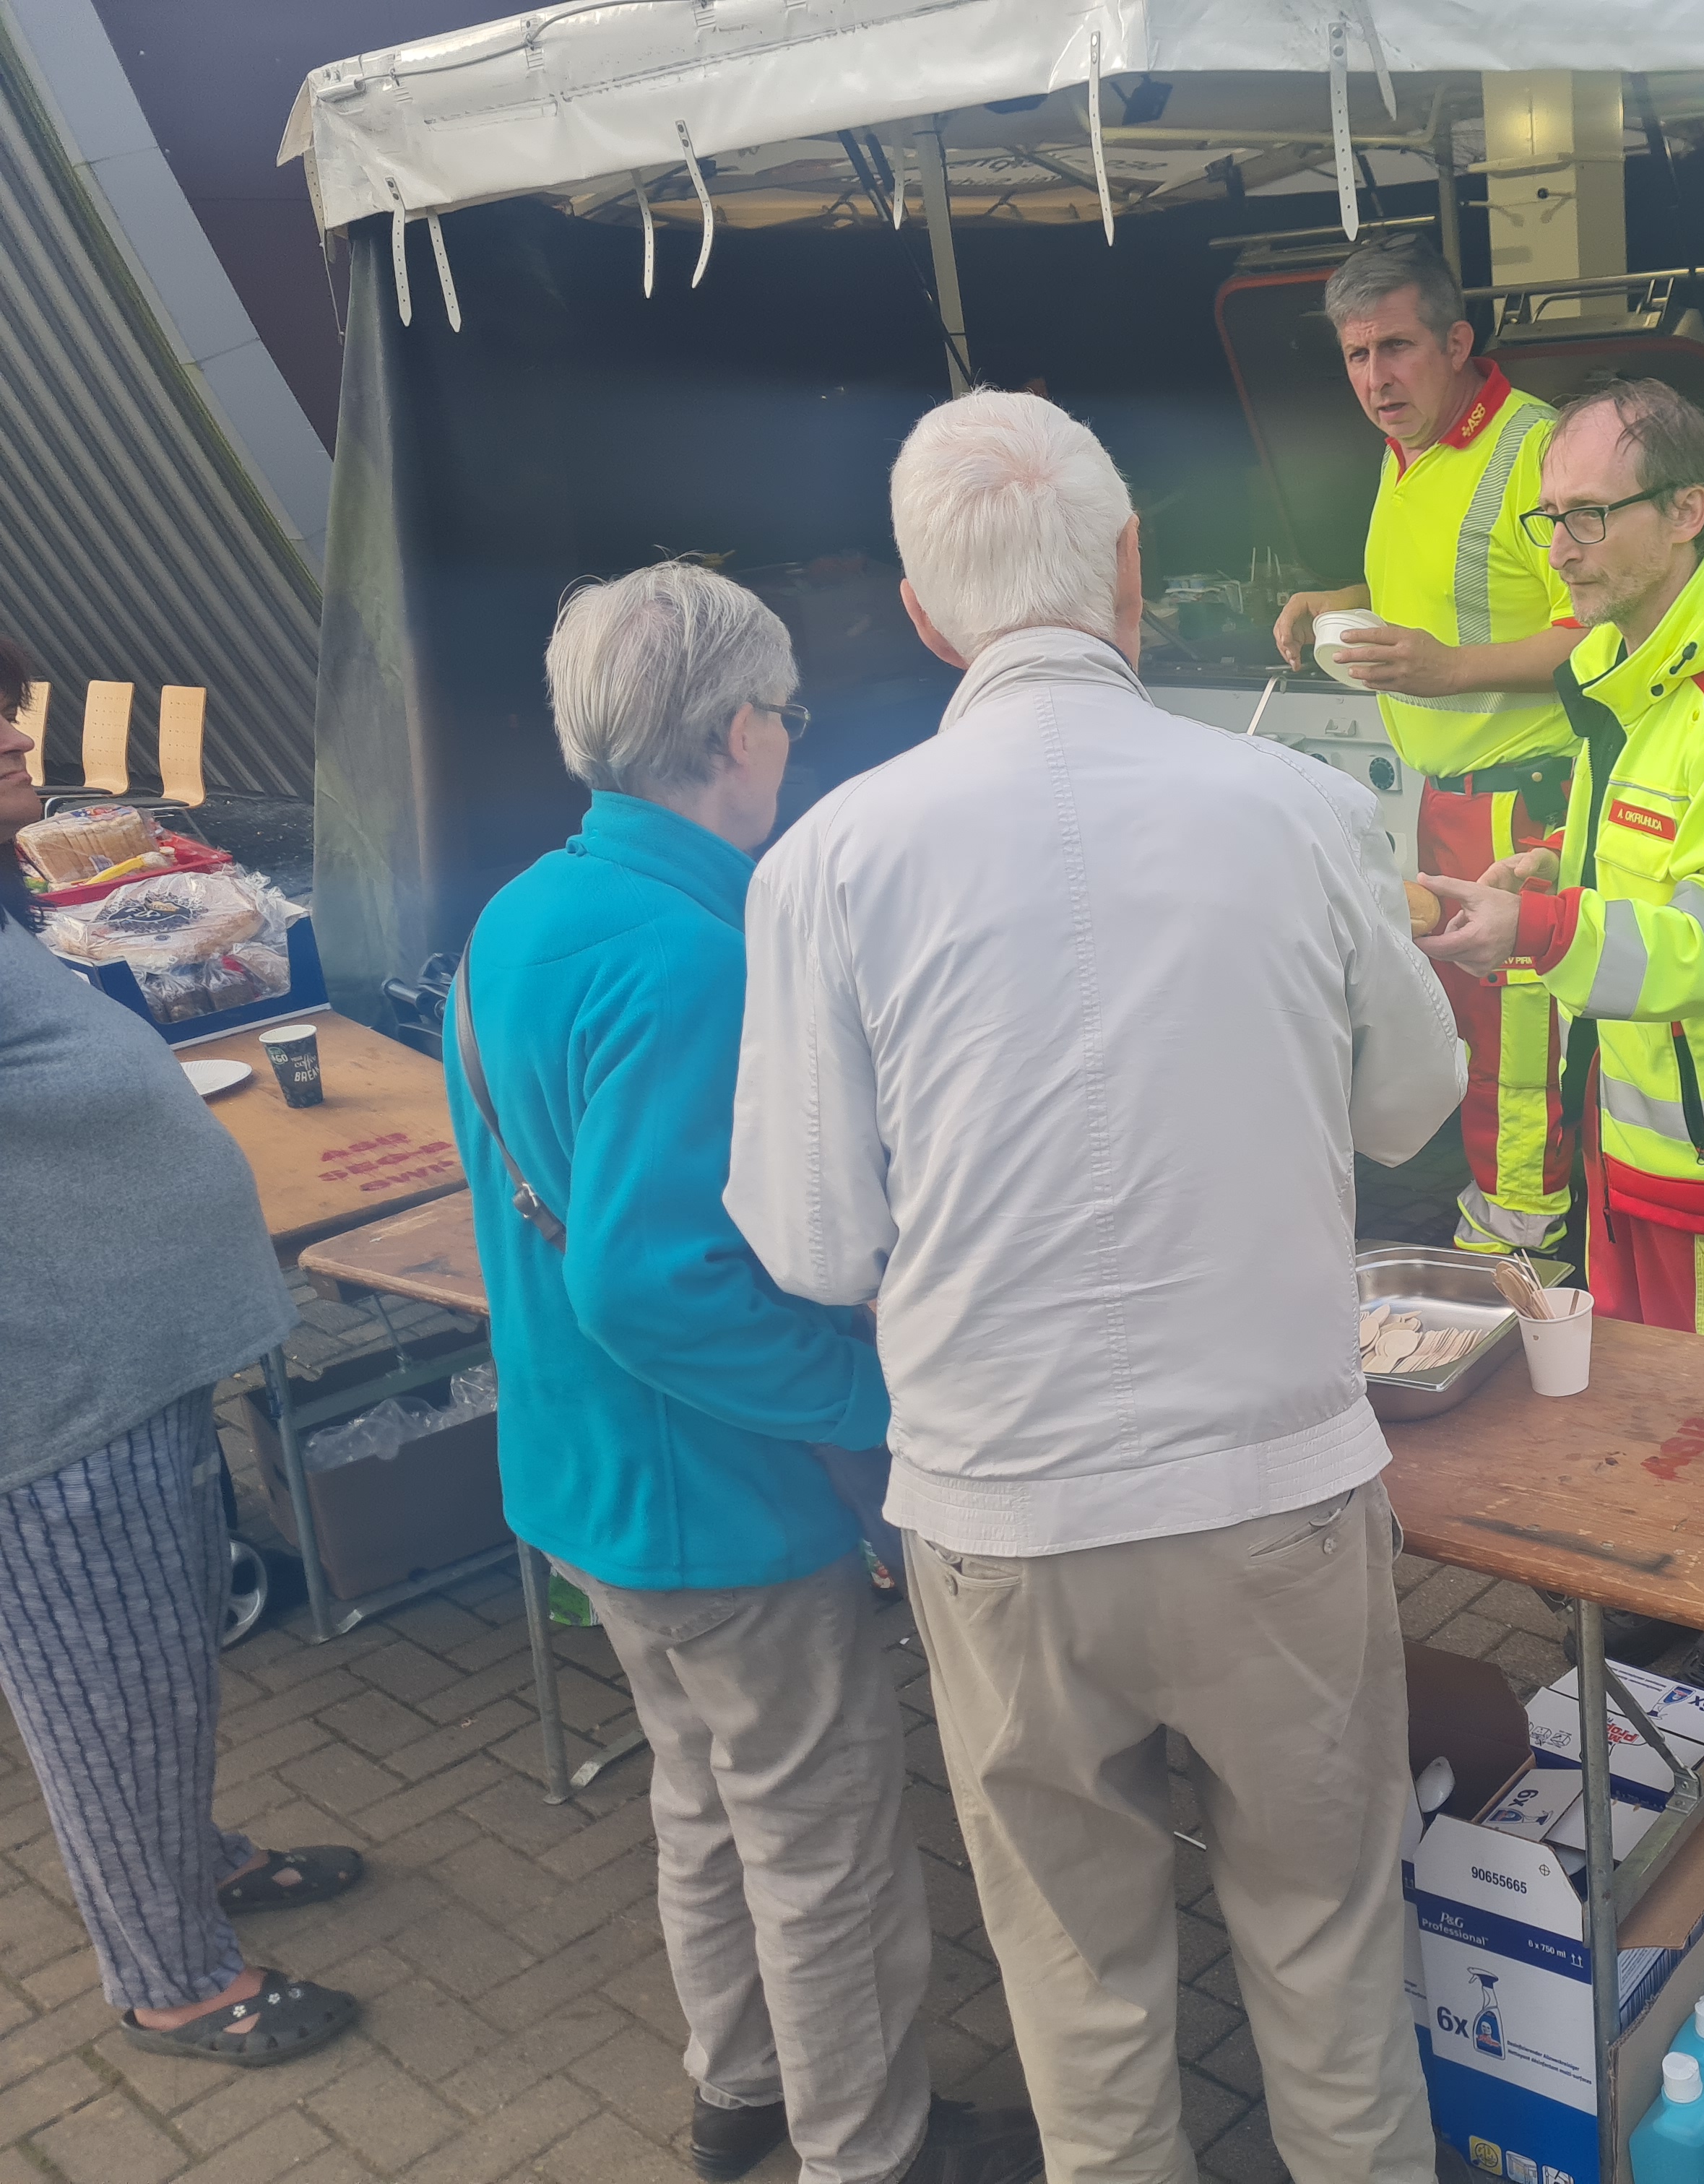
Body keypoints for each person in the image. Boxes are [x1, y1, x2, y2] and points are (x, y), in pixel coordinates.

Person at [730, 391, 1463, 2184]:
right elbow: (1411, 1099)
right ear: (1134, 570)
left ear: (922, 612)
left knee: (1083, 1992)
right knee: (1330, 1950)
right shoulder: (1294, 808)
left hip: (999, 1513)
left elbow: (814, 1244)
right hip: (1275, 1492)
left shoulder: (824, 860)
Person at [446, 566, 1036, 2184]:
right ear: (735, 728)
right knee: (821, 1837)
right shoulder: (700, 957)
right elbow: (653, 1283)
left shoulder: (520, 911)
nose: (791, 741)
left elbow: (527, 1194)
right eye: (786, 714)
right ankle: (870, 2150)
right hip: (718, 1499)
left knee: (702, 1801)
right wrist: (879, 1412)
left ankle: (743, 2095)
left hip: (582, 1480)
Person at [0, 643, 367, 2068]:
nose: (14, 733)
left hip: (122, 1364)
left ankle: (190, 1857)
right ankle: (170, 1979)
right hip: (54, 1405)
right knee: (107, 1685)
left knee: (156, 1662)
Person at [1417, 378, 1704, 1338]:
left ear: (1686, 512)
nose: (1557, 553)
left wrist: (1539, 931)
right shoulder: (1632, 673)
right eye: (1551, 519)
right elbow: (1652, 854)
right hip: (1640, 1144)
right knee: (1650, 1433)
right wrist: (1553, 866)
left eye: (1586, 517)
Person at [1274, 236, 1583, 1257]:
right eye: (1357, 356)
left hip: (1530, 797)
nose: (1375, 378)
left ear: (1457, 342)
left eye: (1397, 348)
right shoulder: (1407, 449)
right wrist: (1339, 602)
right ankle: (1507, 1219)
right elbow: (1452, 592)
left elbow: (1606, 633)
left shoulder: (1538, 453)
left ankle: (1524, 1257)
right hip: (1445, 794)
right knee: (1465, 1027)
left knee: (1519, 1044)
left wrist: (1447, 668)